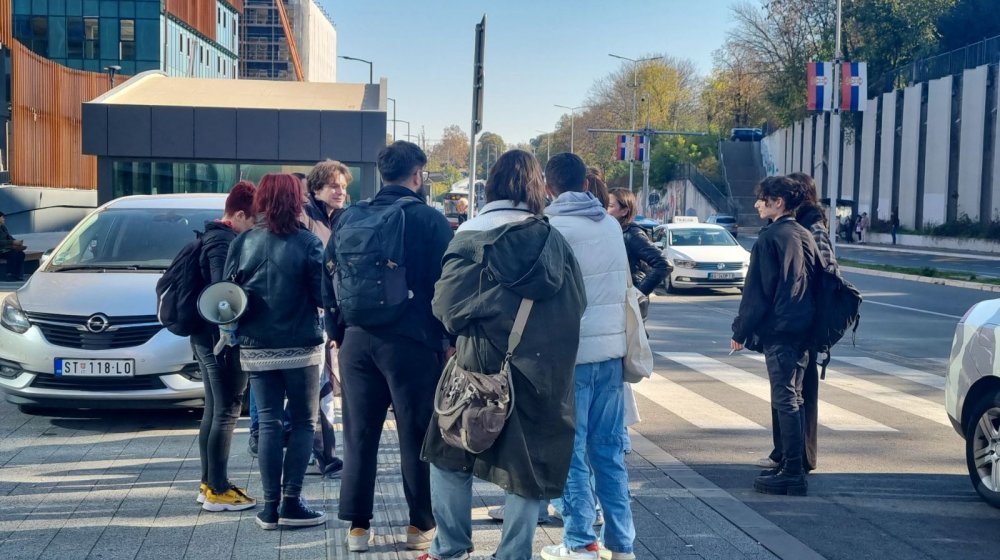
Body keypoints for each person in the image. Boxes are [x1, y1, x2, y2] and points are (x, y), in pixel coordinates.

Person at [420, 149, 587, 560]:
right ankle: (514, 554)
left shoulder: (470, 237)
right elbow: (577, 304)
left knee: (449, 453)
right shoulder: (555, 242)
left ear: (491, 185)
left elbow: (445, 309)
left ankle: (451, 547)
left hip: (480, 368)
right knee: (528, 471)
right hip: (542, 374)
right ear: (537, 188)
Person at [324, 141, 454, 552]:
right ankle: (419, 526)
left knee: (359, 435)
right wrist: (446, 339)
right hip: (411, 342)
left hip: (357, 341)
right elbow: (444, 285)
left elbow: (329, 274)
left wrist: (338, 329)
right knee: (416, 433)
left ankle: (358, 529)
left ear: (382, 173)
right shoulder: (429, 220)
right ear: (417, 175)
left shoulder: (350, 217)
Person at [539, 153, 635, 560]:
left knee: (570, 451)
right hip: (611, 354)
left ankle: (580, 542)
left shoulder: (550, 228)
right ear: (585, 183)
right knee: (609, 451)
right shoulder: (612, 226)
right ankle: (622, 543)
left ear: (548, 186)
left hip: (569, 357)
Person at [224, 173, 327, 530]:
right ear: (295, 200)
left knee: (267, 423)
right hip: (301, 346)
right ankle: (292, 502)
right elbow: (322, 297)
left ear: (262, 201)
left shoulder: (243, 242)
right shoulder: (308, 243)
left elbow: (228, 297)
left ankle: (268, 509)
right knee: (302, 422)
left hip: (257, 346)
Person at [731, 175, 819, 497]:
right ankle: (790, 465)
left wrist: (740, 330)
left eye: (761, 198)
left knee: (786, 398)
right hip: (803, 330)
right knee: (794, 396)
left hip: (781, 331)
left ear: (777, 202)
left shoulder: (769, 239)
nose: (756, 204)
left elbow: (756, 293)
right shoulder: (803, 234)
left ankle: (792, 472)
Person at [755, 172, 836, 475]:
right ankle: (786, 453)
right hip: (795, 318)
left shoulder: (810, 226)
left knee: (799, 394)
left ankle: (801, 457)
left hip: (800, 322)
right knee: (787, 393)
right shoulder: (787, 226)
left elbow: (827, 270)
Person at [194, 181, 258, 512]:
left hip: (204, 338)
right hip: (220, 340)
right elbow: (224, 294)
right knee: (227, 411)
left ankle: (209, 484)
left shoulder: (210, 235)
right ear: (239, 215)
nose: (255, 228)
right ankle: (217, 490)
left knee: (213, 410)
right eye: (253, 221)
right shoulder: (223, 242)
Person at [304, 160, 352, 480]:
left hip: (328, 315)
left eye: (344, 187)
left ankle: (311, 448)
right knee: (321, 388)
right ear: (317, 188)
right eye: (334, 185)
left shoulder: (337, 220)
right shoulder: (308, 221)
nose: (340, 191)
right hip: (314, 317)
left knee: (322, 387)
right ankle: (326, 455)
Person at [607, 188, 670, 319]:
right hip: (618, 302)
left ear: (624, 211)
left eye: (610, 206)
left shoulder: (632, 233)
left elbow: (664, 264)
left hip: (631, 303)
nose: (605, 210)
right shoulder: (612, 231)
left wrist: (638, 292)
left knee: (635, 338)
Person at [0, 211, 27, 281]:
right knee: (13, 254)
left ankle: (18, 274)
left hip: (5, 249)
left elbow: (9, 237)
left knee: (21, 254)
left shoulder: (3, 227)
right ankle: (9, 274)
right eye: (2, 217)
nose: (4, 219)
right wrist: (12, 242)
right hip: (1, 250)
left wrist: (17, 242)